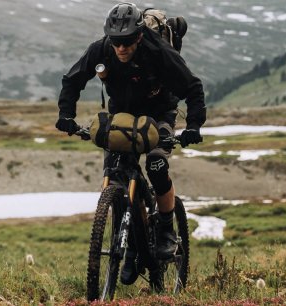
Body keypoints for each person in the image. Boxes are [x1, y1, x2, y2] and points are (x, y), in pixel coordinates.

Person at [54, 2, 206, 285]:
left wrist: (194, 126)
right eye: (116, 43)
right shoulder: (101, 49)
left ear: (138, 37)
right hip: (122, 114)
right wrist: (66, 114)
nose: (120, 49)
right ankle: (132, 246)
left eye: (126, 43)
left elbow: (193, 87)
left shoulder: (158, 52)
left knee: (157, 165)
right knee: (117, 172)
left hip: (160, 111)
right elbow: (72, 80)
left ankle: (165, 230)